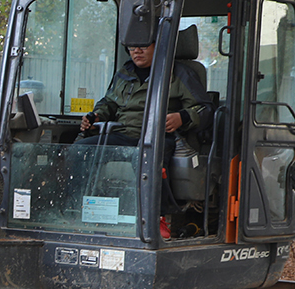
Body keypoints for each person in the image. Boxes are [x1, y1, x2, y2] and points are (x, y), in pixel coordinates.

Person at [66, 41, 207, 214]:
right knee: (80, 150)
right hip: (123, 133)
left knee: (145, 157)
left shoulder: (180, 74)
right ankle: (79, 211)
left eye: (143, 46)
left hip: (158, 136)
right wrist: (97, 116)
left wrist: (182, 117)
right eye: (132, 47)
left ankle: (156, 217)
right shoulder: (125, 74)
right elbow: (109, 102)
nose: (137, 51)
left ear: (159, 46)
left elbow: (204, 109)